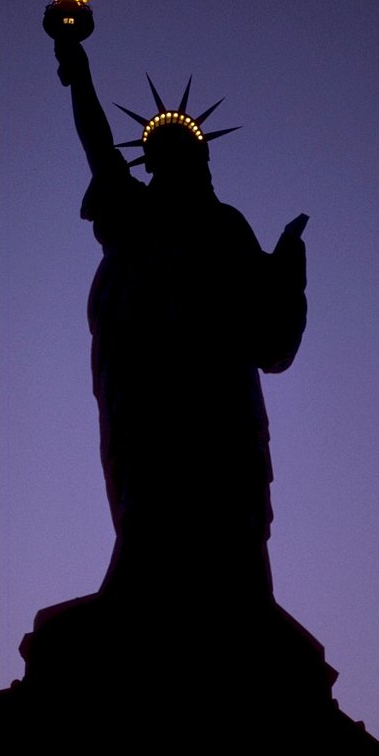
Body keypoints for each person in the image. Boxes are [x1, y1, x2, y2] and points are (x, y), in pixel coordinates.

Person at [56, 39, 307, 603]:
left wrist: (287, 262)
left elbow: (267, 327)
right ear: (154, 164)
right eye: (167, 153)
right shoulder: (137, 211)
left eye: (192, 154)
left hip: (221, 388)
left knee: (230, 489)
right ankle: (144, 581)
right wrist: (79, 71)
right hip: (150, 379)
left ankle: (241, 598)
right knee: (150, 477)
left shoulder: (226, 225)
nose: (187, 163)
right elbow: (97, 141)